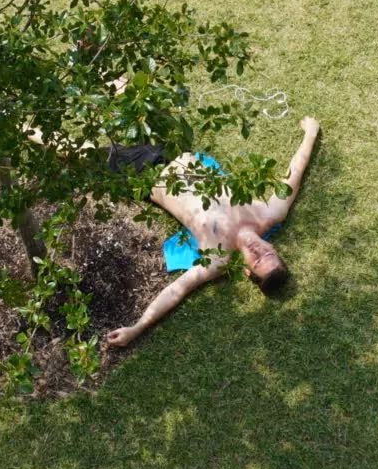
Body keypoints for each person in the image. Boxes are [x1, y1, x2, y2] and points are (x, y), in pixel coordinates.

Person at [106, 115, 321, 347]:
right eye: (268, 253)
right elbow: (294, 174)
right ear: (273, 248)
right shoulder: (270, 213)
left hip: (147, 174)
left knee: (81, 156)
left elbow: (177, 290)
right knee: (133, 94)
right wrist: (311, 133)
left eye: (256, 261)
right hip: (177, 149)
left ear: (248, 271)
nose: (258, 250)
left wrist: (136, 329)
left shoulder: (218, 258)